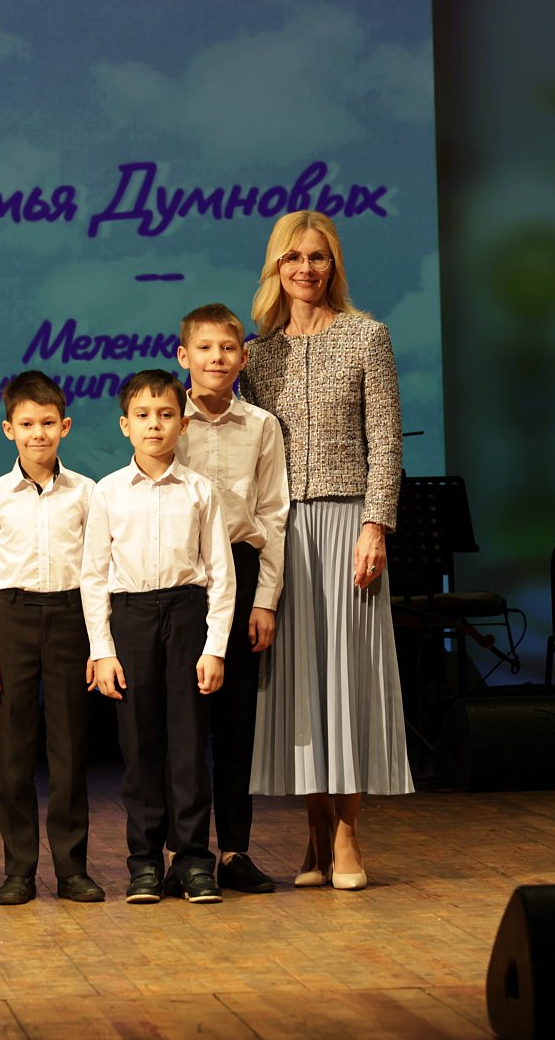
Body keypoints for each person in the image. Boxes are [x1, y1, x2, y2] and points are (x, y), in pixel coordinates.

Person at [237, 210, 413, 892]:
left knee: (350, 679)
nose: (305, 268)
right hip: (284, 532)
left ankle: (346, 833)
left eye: (317, 257)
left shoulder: (367, 336)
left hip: (347, 525)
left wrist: (376, 524)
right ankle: (314, 829)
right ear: (275, 267)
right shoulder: (259, 355)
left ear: (333, 265)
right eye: (293, 257)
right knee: (303, 682)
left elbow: (387, 440)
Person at [82, 369, 235, 905]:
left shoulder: (200, 491)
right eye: (143, 416)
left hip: (186, 614)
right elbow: (93, 577)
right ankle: (144, 862)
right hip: (131, 618)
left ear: (183, 424)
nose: (155, 425)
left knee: (189, 746)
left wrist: (215, 647)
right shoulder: (107, 492)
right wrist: (102, 650)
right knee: (140, 746)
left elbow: (221, 575)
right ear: (124, 425)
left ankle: (192, 860)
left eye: (166, 415)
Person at [0, 371, 104, 906]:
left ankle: (71, 869)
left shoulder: (87, 492)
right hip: (14, 616)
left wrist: (99, 644)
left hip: (70, 616)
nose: (38, 434)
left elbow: (97, 572)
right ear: (9, 429)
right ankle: (19, 870)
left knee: (69, 749)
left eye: (48, 423)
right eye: (27, 424)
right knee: (15, 751)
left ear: (64, 426)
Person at [173, 303, 290, 895]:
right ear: (183, 356)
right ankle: (182, 850)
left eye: (227, 348)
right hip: (182, 577)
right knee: (183, 722)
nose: (216, 358)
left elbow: (273, 513)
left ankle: (235, 850)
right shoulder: (167, 418)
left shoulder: (262, 426)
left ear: (243, 358)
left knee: (236, 720)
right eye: (205, 347)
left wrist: (265, 599)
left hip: (242, 572)